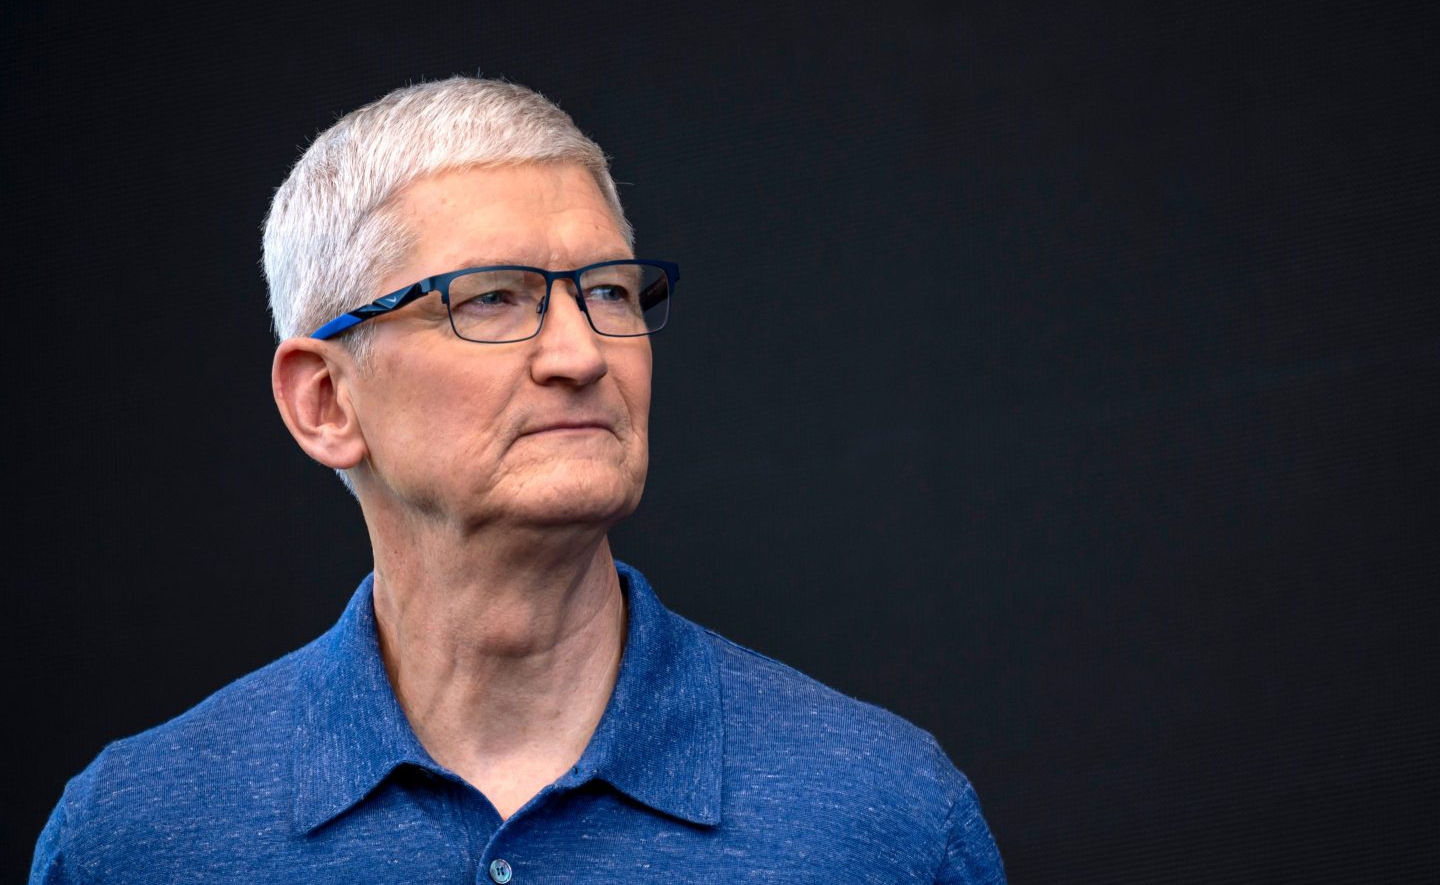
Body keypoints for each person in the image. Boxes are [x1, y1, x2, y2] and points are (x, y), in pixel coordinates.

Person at [31, 77, 1005, 884]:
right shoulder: (135, 836)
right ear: (324, 399)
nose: (581, 354)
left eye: (611, 291)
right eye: (492, 299)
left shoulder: (888, 820)